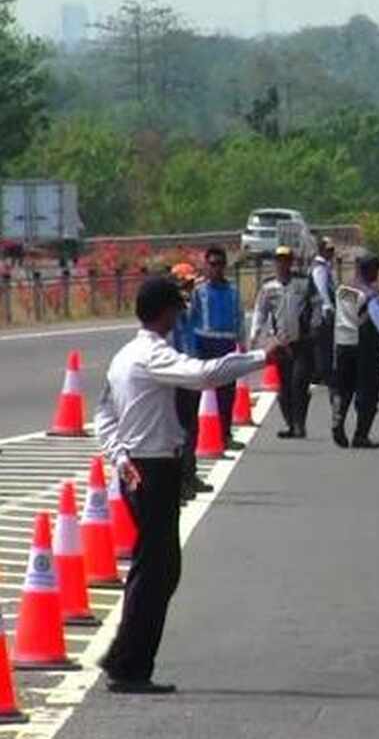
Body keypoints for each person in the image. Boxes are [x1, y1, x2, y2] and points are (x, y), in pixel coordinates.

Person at [94, 276, 283, 694]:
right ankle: (129, 665)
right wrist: (260, 357)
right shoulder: (152, 355)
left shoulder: (124, 356)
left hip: (139, 466)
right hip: (154, 468)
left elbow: (103, 416)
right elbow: (204, 375)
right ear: (165, 312)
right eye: (177, 309)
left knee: (155, 568)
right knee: (157, 570)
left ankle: (125, 656)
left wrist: (119, 456)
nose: (181, 315)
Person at [332, 254, 379, 449]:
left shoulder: (343, 289)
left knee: (343, 387)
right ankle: (361, 435)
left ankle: (338, 418)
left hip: (342, 343)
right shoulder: (371, 295)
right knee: (368, 391)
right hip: (365, 346)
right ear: (372, 271)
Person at [250, 246, 319, 439]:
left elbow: (316, 305)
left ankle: (299, 424)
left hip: (302, 341)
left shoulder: (304, 282)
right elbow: (260, 311)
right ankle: (290, 423)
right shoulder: (268, 287)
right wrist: (255, 334)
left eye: (286, 259)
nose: (283, 264)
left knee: (299, 384)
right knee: (285, 387)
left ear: (291, 261)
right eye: (279, 260)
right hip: (281, 344)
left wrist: (315, 326)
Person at [190, 247, 244, 450]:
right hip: (204, 343)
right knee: (197, 392)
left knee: (226, 393)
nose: (216, 269)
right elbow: (190, 318)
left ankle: (225, 434)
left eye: (220, 264)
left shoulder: (232, 291)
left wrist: (242, 341)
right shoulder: (199, 291)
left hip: (226, 343)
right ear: (206, 265)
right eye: (212, 264)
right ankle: (196, 435)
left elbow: (239, 317)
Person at [168, 263, 213, 503]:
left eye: (190, 284)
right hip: (176, 376)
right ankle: (179, 482)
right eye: (183, 284)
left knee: (192, 428)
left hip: (191, 373)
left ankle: (189, 475)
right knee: (179, 431)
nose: (188, 289)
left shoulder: (190, 310)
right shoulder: (169, 313)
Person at [309, 237, 337, 387]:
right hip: (320, 310)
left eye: (332, 249)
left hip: (323, 309)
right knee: (323, 342)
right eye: (329, 250)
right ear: (322, 250)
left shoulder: (325, 265)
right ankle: (322, 372)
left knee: (325, 342)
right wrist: (328, 307)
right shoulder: (319, 267)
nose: (332, 252)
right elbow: (322, 289)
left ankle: (322, 371)